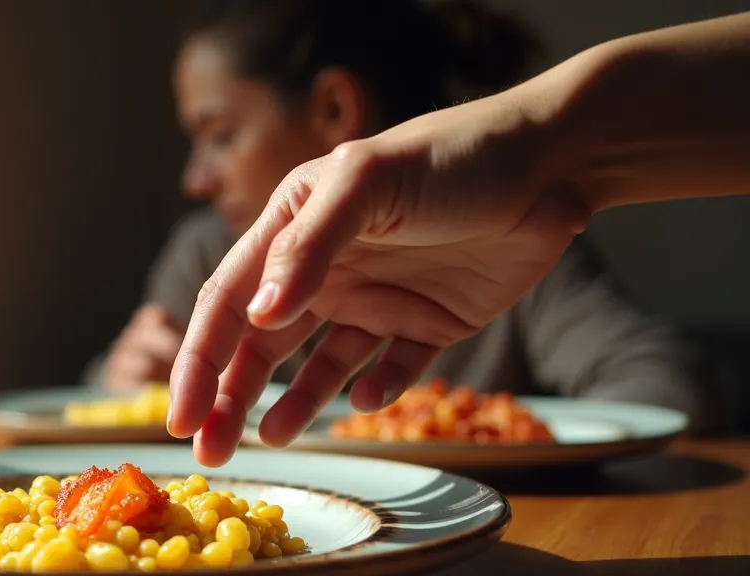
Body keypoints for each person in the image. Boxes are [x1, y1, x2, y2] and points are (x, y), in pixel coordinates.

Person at [85, 0, 717, 458]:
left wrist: (489, 433)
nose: (195, 179)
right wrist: (122, 381)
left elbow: (665, 384)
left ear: (335, 108)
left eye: (220, 137)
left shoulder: (500, 232)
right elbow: (114, 397)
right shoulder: (208, 250)